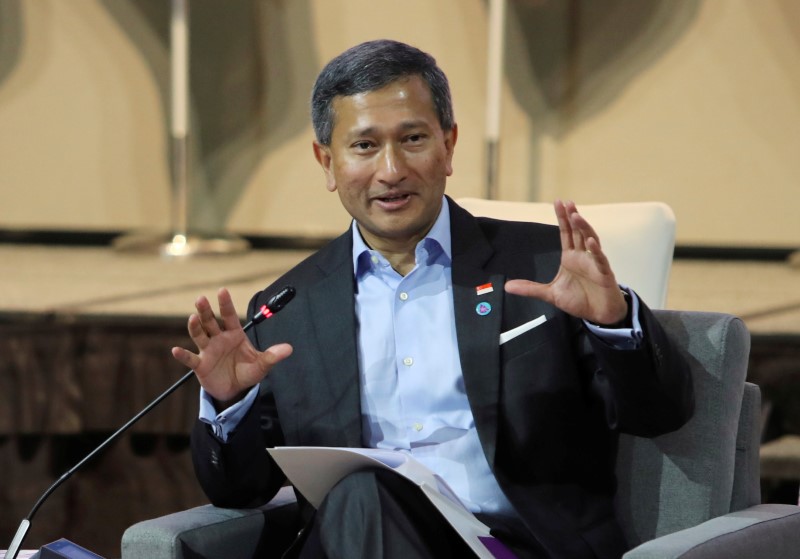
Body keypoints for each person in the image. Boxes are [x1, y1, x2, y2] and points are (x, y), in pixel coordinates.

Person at [173, 39, 694, 559]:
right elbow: (239, 491)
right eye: (364, 146)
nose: (392, 169)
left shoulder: (541, 265)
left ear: (449, 145)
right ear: (326, 162)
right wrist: (227, 406)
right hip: (363, 537)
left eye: (413, 138)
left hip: (514, 548)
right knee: (363, 494)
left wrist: (614, 323)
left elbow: (660, 415)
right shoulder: (290, 307)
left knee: (361, 493)